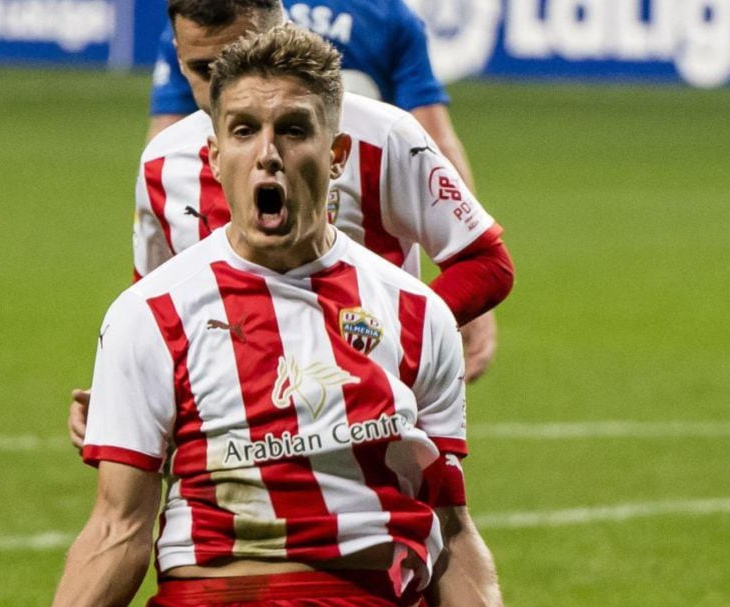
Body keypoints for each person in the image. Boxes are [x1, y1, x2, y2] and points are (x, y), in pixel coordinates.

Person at [52, 25, 501, 606]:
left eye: (292, 131)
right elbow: (117, 530)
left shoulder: (418, 313)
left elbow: (453, 532)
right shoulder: (150, 315)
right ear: (213, 156)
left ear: (336, 154)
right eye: (244, 131)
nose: (267, 155)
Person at [146, 0, 499, 380]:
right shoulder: (163, 162)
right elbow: (152, 305)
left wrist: (414, 332)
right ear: (182, 59)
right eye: (205, 69)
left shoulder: (385, 133)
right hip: (232, 396)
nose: (225, 86)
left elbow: (481, 257)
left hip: (373, 392)